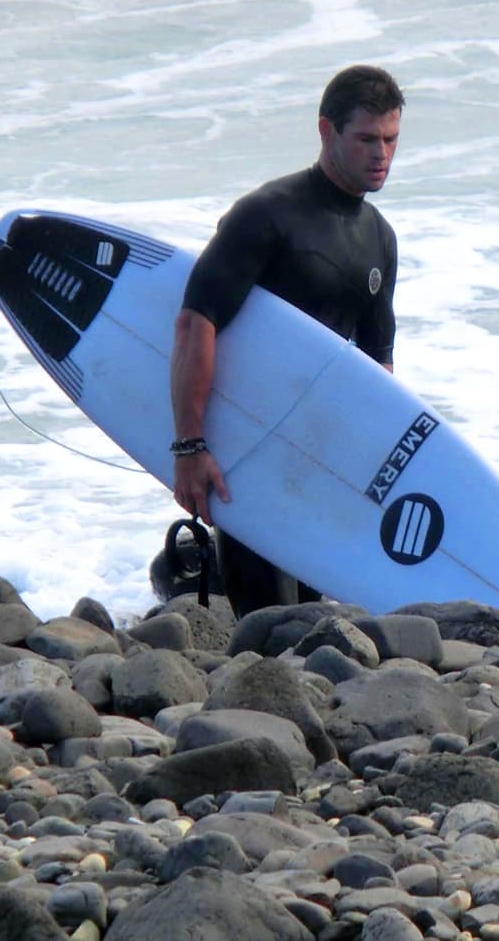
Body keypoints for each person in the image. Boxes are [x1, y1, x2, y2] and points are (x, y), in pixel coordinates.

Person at [169, 64, 404, 616]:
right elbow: (195, 322)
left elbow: (378, 370)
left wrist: (371, 472)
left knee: (309, 621)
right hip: (246, 459)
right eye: (367, 139)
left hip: (317, 462)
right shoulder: (267, 216)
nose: (382, 154)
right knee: (270, 629)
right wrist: (189, 446)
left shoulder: (379, 238)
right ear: (327, 132)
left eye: (391, 140)